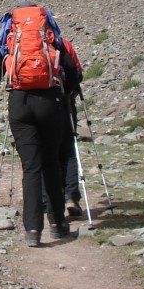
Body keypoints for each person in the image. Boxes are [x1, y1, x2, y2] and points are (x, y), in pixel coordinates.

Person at [0, 3, 80, 247]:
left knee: (31, 168)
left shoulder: (9, 40)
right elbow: (74, 73)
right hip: (51, 102)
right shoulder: (51, 37)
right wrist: (62, 94)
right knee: (51, 163)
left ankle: (32, 230)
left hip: (19, 103)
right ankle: (57, 225)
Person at [42, 37, 83, 219]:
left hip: (33, 104)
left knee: (42, 151)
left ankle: (45, 200)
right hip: (63, 103)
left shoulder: (20, 44)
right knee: (68, 150)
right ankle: (70, 196)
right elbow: (76, 72)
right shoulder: (61, 43)